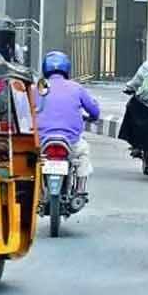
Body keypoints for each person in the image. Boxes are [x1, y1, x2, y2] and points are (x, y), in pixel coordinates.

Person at [35, 51, 100, 194]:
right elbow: (94, 110)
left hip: (42, 141)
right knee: (83, 153)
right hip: (71, 142)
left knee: (33, 161)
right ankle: (80, 189)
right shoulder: (76, 87)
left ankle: (36, 190)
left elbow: (27, 109)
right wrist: (92, 117)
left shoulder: (39, 87)